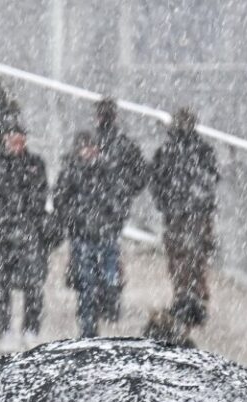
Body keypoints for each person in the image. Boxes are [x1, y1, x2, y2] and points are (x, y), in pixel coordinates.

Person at [148, 108, 219, 328]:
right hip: (192, 213)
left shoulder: (167, 151)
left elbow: (156, 181)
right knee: (193, 258)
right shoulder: (201, 151)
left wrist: (166, 202)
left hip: (179, 213)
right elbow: (211, 180)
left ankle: (185, 299)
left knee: (181, 258)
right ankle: (193, 300)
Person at [55, 131, 131, 338]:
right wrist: (77, 219)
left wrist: (112, 219)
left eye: (92, 147)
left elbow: (121, 200)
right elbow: (60, 202)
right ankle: (88, 331)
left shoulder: (108, 171)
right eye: (85, 147)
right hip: (83, 236)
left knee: (109, 281)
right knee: (86, 285)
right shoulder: (71, 172)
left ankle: (107, 313)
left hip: (106, 236)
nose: (90, 152)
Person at [0, 127, 50, 347]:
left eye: (21, 141)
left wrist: (30, 223)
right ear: (6, 141)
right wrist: (2, 225)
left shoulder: (35, 165)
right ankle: (4, 332)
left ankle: (31, 329)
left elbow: (39, 197)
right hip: (2, 236)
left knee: (33, 285)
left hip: (29, 233)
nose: (18, 146)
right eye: (13, 141)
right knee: (1, 287)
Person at [87, 97, 149, 328]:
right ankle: (111, 305)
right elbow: (141, 173)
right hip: (114, 210)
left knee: (95, 255)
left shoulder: (91, 142)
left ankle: (95, 302)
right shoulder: (124, 144)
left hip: (95, 209)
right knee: (110, 255)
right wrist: (125, 192)